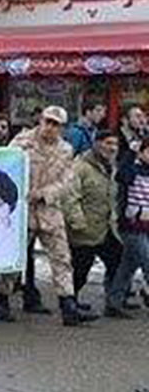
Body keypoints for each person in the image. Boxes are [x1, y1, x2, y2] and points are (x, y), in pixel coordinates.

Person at [6, 106, 98, 326]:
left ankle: (68, 305)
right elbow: (6, 168)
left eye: (56, 124)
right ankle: (2, 298)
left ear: (62, 128)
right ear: (41, 120)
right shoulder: (22, 142)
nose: (50, 127)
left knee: (61, 258)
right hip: (23, 208)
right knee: (14, 260)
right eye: (48, 121)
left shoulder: (66, 150)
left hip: (49, 210)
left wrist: (46, 194)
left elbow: (67, 180)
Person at [62, 131, 125, 317]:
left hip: (106, 228)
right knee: (80, 270)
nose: (112, 148)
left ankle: (113, 302)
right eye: (107, 143)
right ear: (96, 144)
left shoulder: (111, 167)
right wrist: (77, 223)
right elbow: (70, 197)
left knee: (117, 261)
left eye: (115, 144)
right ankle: (70, 307)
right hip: (85, 229)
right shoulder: (80, 167)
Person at [106, 134, 149, 318]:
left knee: (127, 265)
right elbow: (122, 175)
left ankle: (114, 302)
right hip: (132, 225)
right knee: (147, 262)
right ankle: (114, 302)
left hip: (146, 225)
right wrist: (131, 153)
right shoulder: (131, 169)